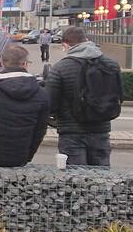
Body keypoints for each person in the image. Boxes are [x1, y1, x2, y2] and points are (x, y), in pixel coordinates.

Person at [45, 26, 122, 167]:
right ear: (86, 40)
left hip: (71, 132)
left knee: (76, 175)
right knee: (101, 174)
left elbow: (51, 103)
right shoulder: (111, 64)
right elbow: (118, 94)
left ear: (65, 45)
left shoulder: (60, 68)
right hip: (101, 129)